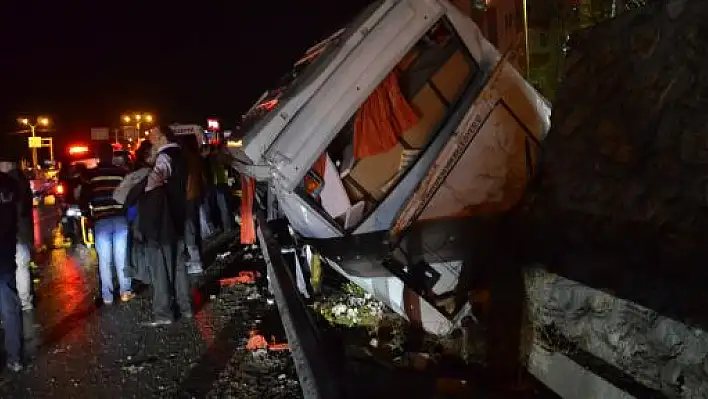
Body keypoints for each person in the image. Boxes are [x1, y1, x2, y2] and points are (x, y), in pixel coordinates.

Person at [133, 126, 192, 326]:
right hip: (179, 215)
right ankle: (186, 308)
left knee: (161, 269)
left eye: (153, 135)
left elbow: (154, 179)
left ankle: (163, 313)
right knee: (179, 267)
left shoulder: (164, 157)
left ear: (162, 138)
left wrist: (137, 187)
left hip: (163, 220)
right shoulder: (181, 154)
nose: (150, 138)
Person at [80, 142, 132, 305]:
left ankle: (108, 296)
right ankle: (125, 291)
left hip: (101, 221)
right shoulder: (122, 173)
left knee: (104, 260)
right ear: (112, 155)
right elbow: (128, 195)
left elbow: (84, 198)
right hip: (120, 219)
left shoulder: (91, 175)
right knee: (122, 257)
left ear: (98, 155)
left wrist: (88, 215)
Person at [0, 153, 26, 372]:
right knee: (9, 307)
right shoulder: (9, 184)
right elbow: (19, 212)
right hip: (4, 254)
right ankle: (15, 357)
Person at [0, 159, 34, 311]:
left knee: (12, 271)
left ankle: (16, 304)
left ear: (6, 165)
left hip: (12, 234)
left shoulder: (9, 184)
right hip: (23, 233)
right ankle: (25, 302)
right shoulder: (23, 182)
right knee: (22, 267)